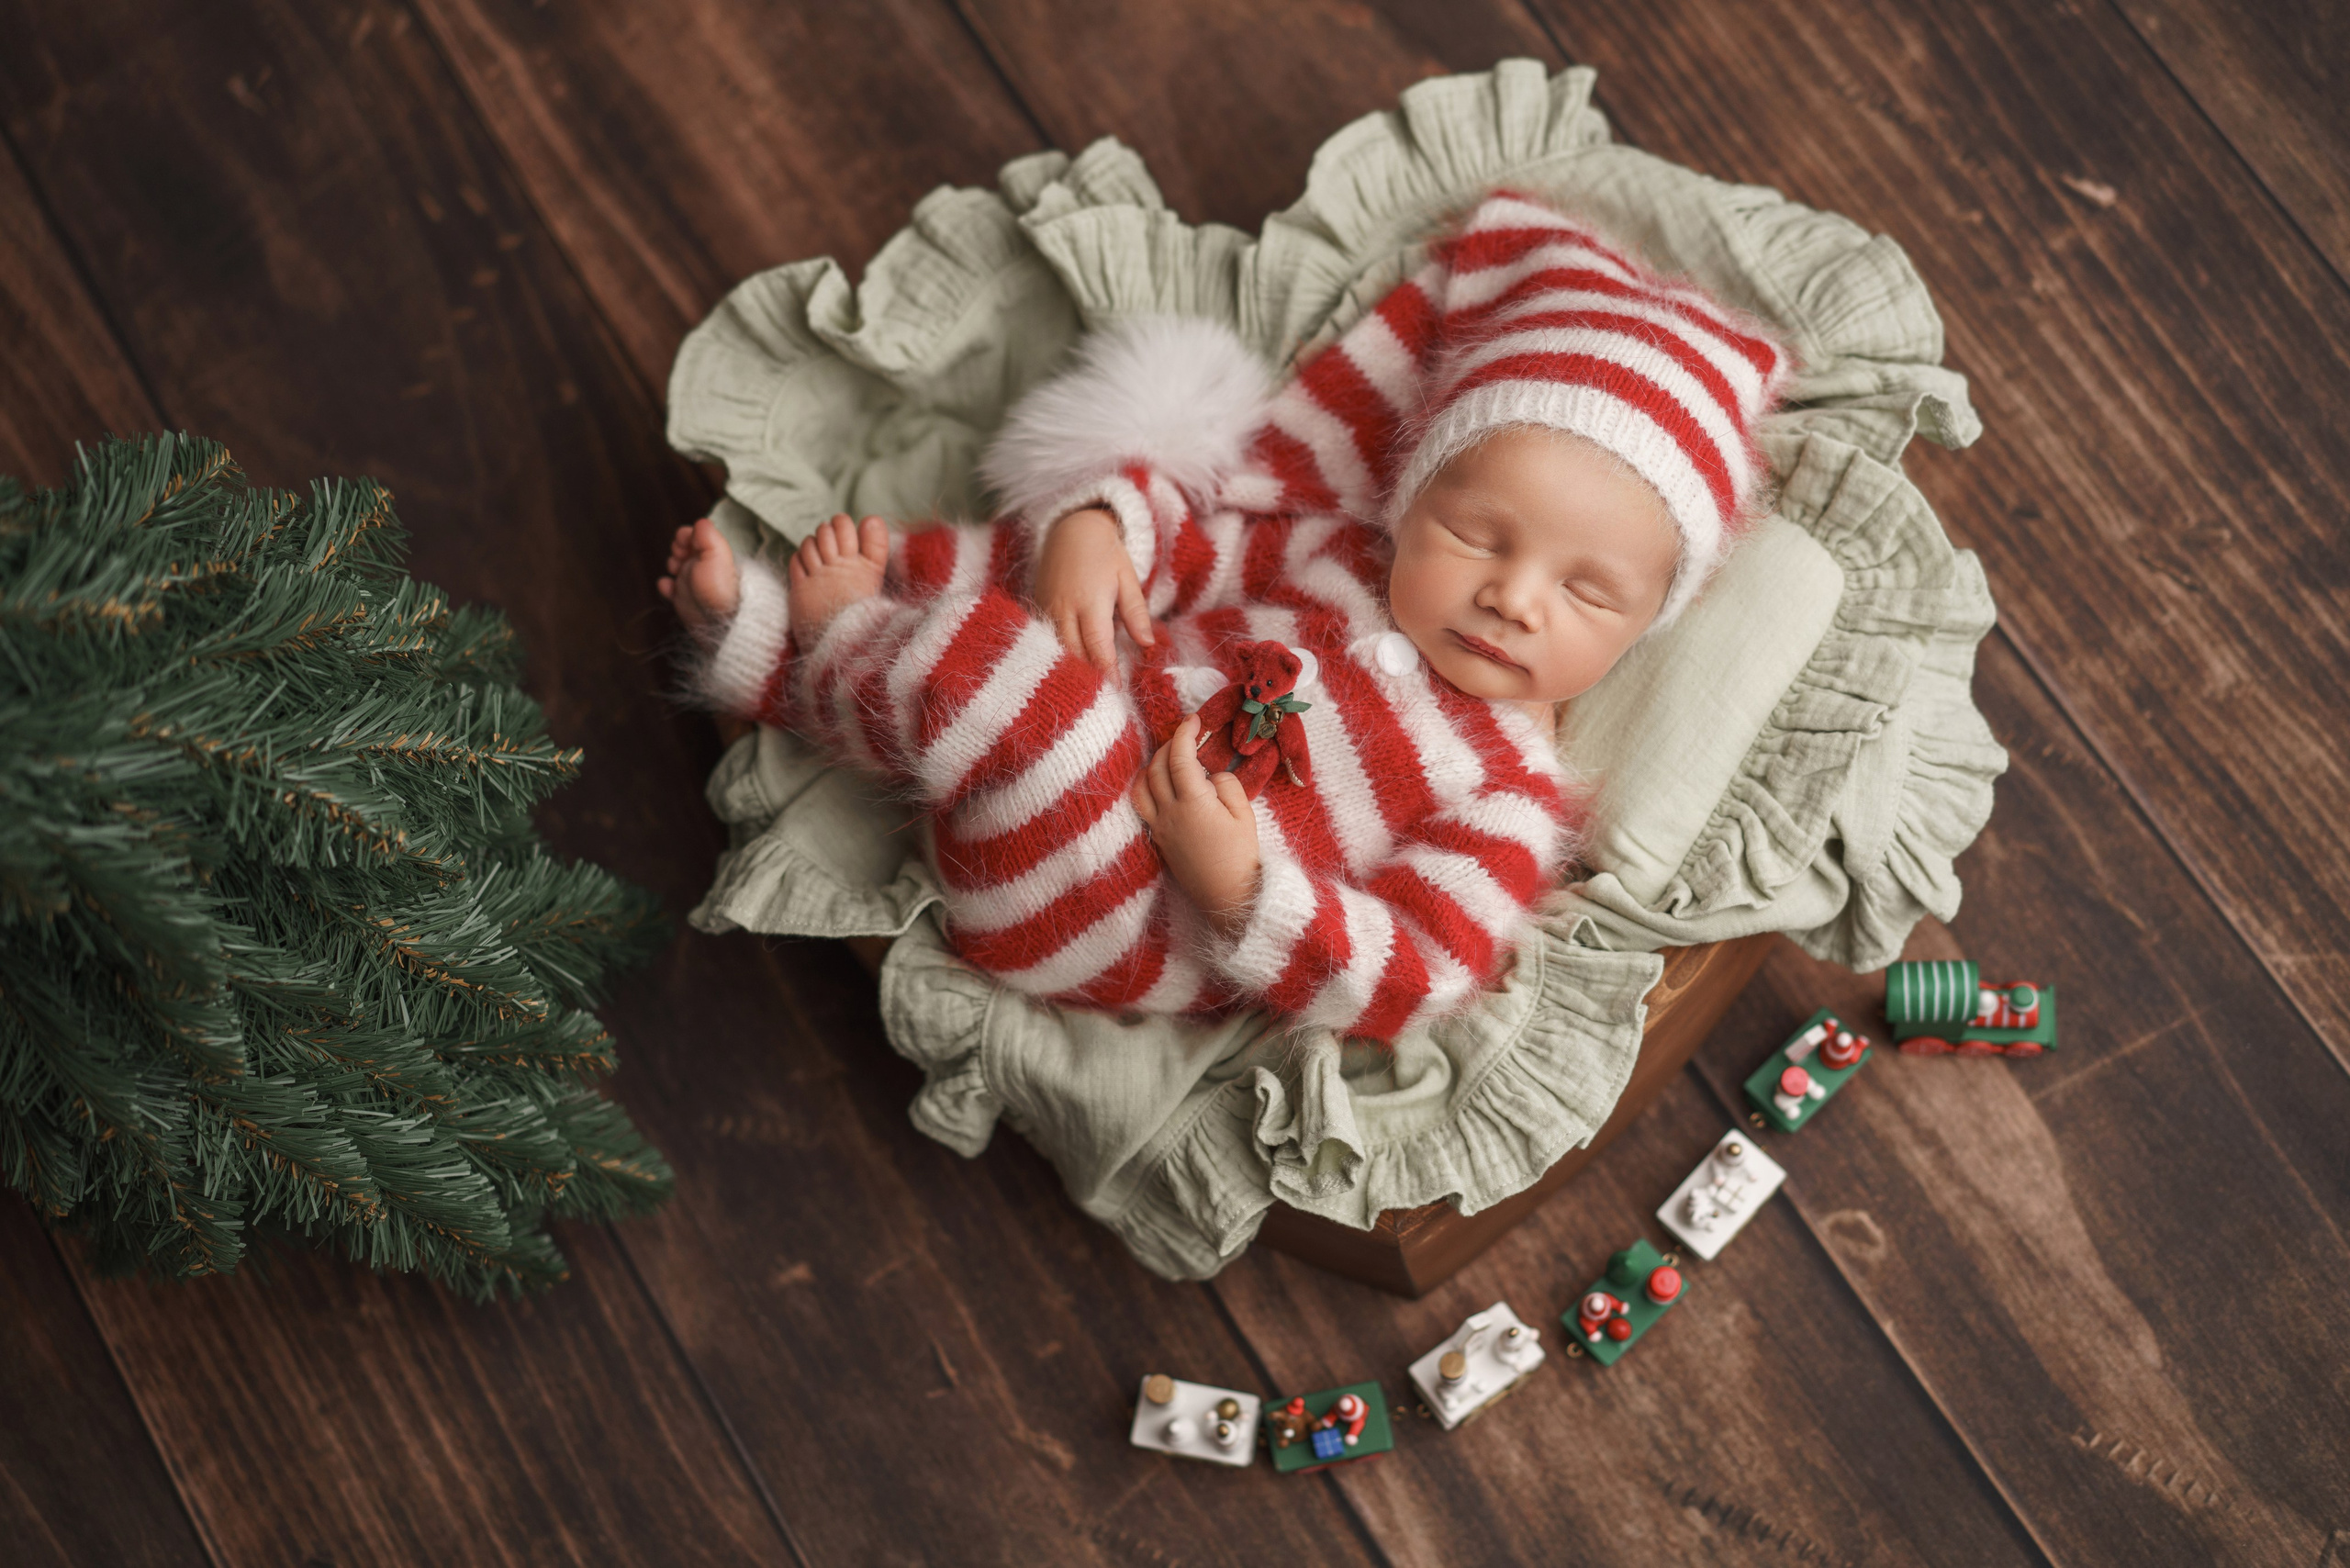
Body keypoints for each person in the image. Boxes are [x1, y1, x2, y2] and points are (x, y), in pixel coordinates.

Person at [659, 191, 1790, 1041]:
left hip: (1124, 922)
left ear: (1647, 619)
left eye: (1585, 590)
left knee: (1019, 685)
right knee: (1049, 628)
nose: (1511, 593)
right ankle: (831, 638)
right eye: (1475, 536)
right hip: (1032, 755)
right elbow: (1167, 553)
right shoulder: (1330, 557)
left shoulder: (1504, 791)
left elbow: (1415, 972)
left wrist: (1242, 888)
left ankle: (801, 660)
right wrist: (1097, 521)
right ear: (1408, 500)